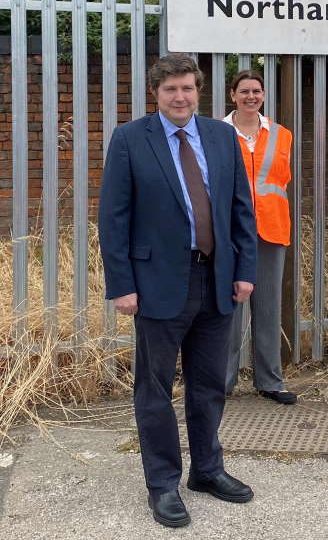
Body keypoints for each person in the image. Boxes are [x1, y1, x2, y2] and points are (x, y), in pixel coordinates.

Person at [98, 53, 258, 529]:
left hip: (216, 281)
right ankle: (163, 483)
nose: (180, 97)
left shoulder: (221, 135)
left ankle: (207, 471)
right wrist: (122, 285)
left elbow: (240, 209)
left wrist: (244, 269)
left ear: (198, 91)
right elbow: (113, 218)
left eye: (187, 88)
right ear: (156, 93)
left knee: (209, 385)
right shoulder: (130, 140)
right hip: (156, 287)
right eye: (171, 90)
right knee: (154, 390)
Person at [222, 69, 297, 405]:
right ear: (233, 95)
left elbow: (280, 181)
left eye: (256, 91)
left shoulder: (282, 135)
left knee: (268, 308)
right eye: (244, 91)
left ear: (263, 95)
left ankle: (270, 381)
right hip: (230, 232)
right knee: (229, 309)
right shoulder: (216, 133)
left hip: (271, 229)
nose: (250, 96)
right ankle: (222, 383)